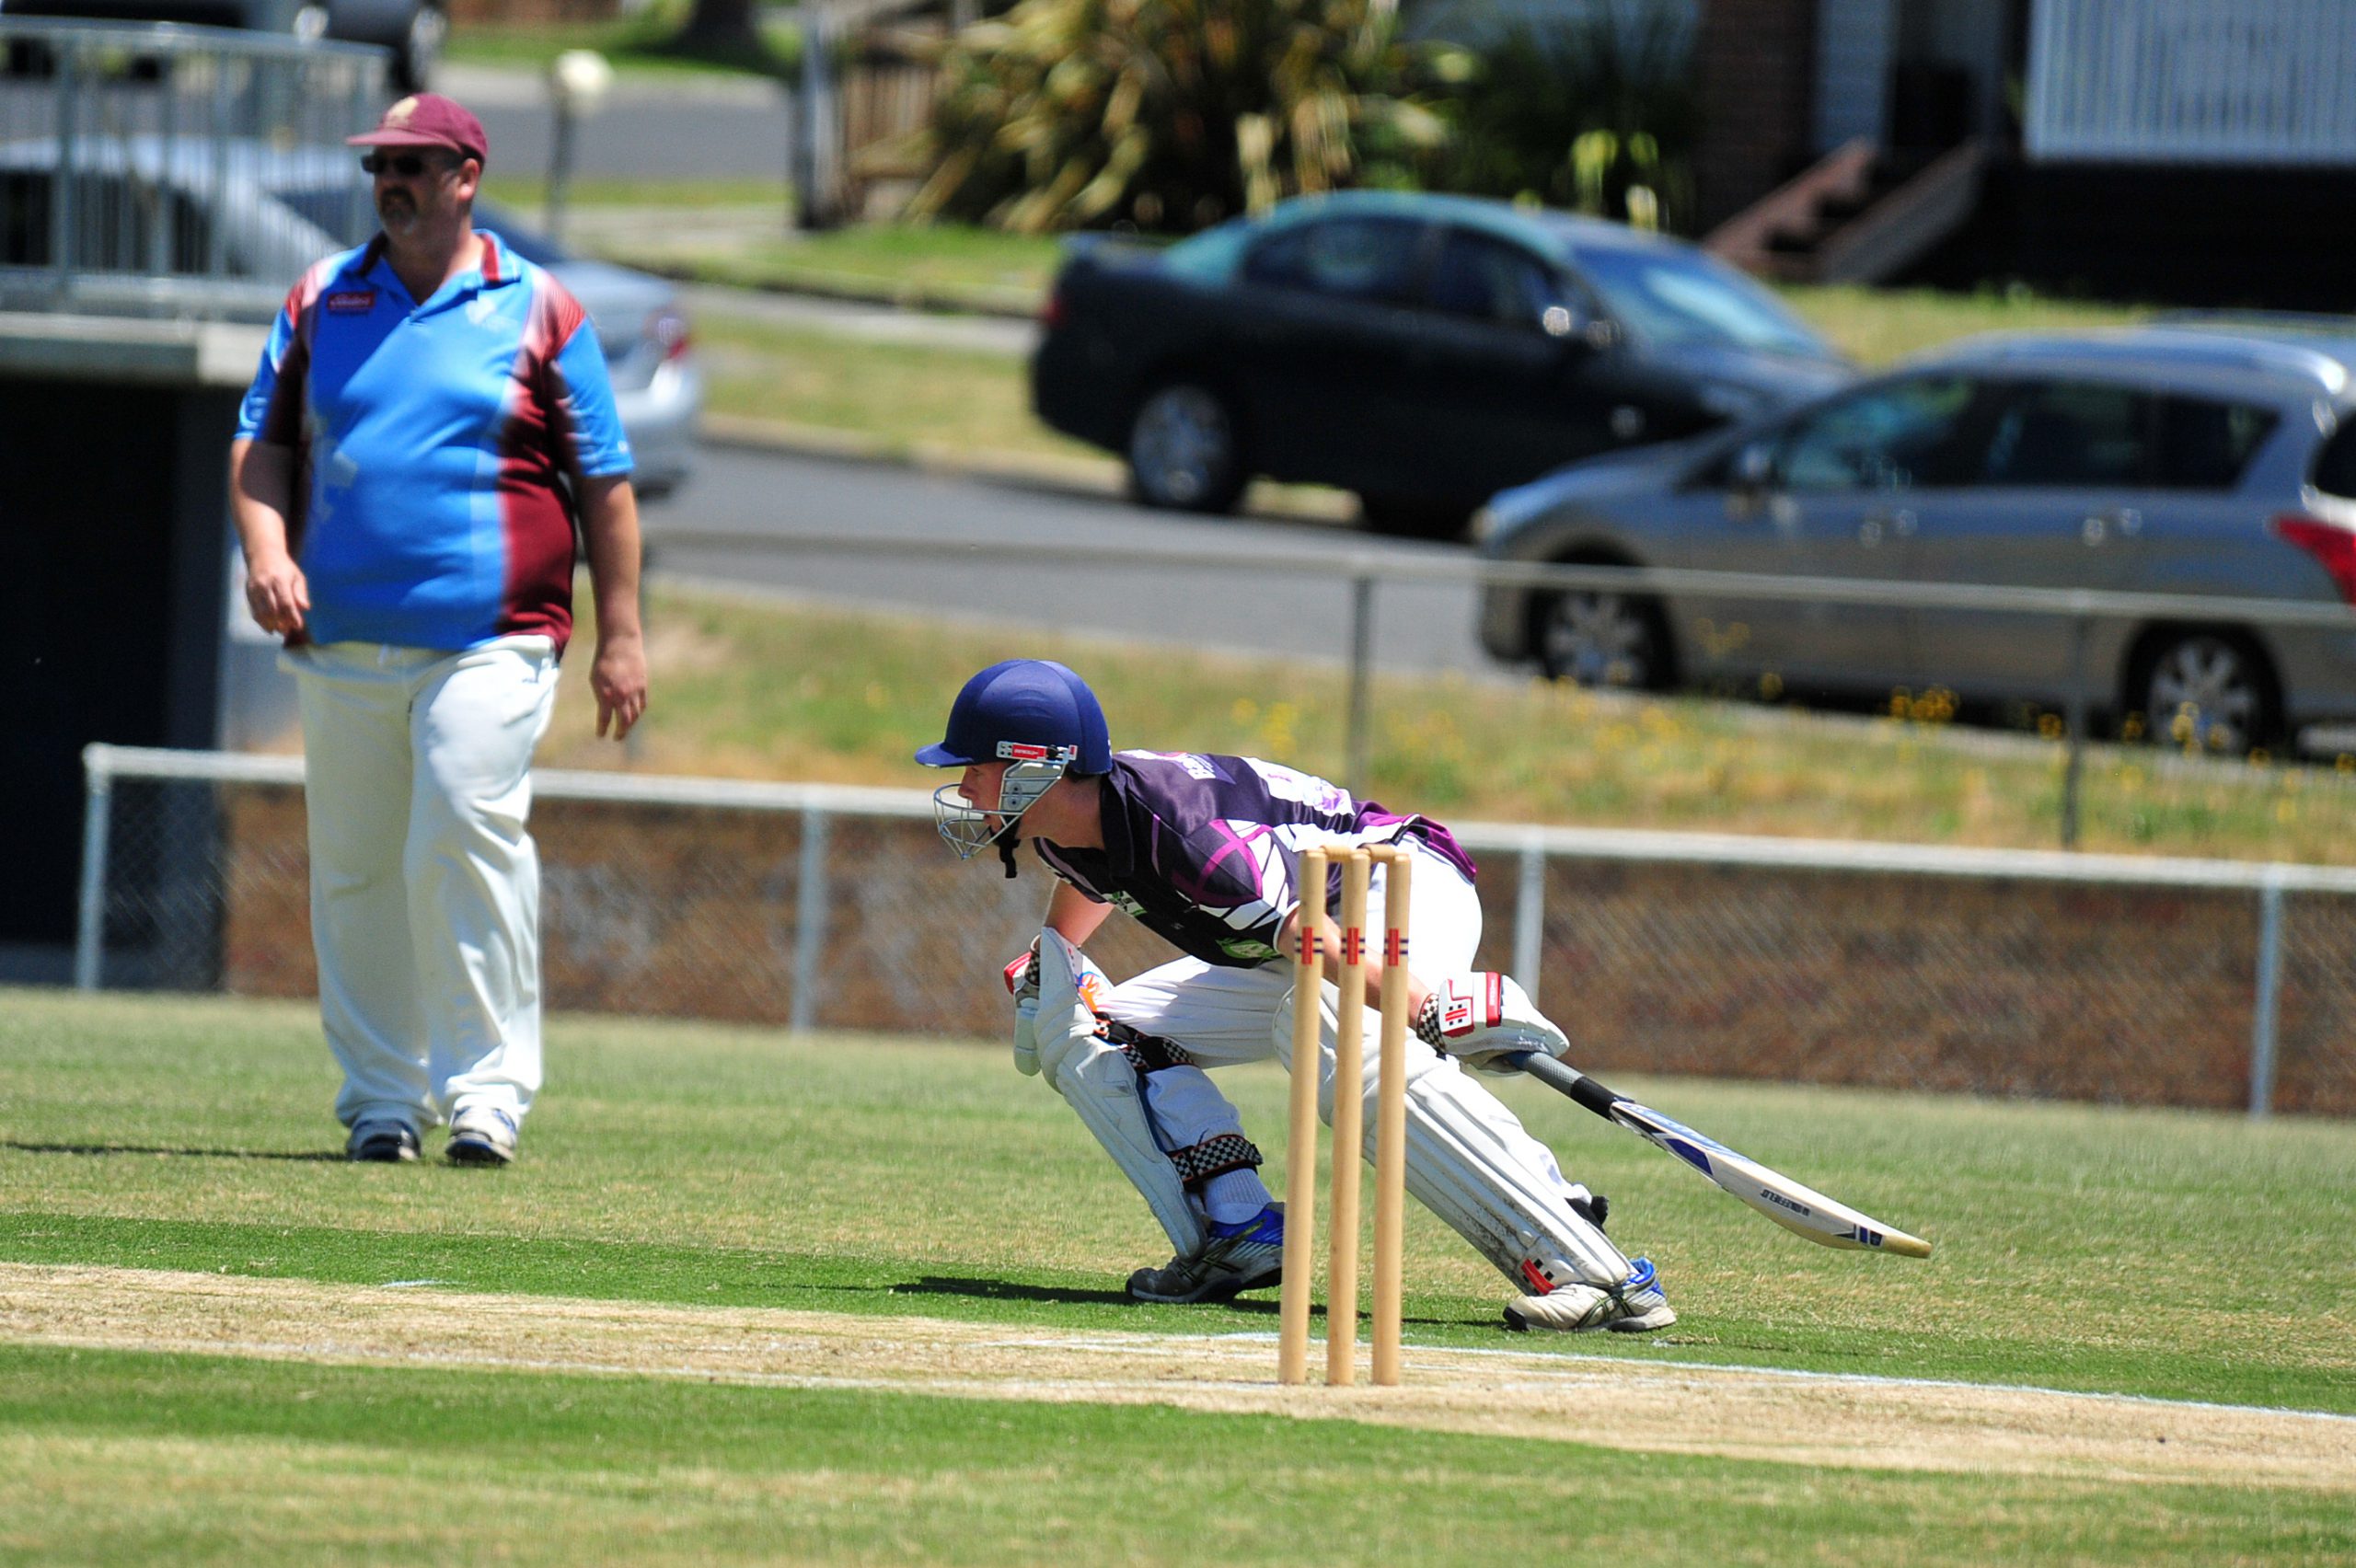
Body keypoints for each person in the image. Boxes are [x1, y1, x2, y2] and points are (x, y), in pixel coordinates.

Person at [917, 659, 1673, 1333]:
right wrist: (1055, 957)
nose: (964, 787)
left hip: (1392, 882)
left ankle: (1588, 1262)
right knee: (1101, 1026)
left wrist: (1423, 1006)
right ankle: (1239, 1230)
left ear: (1037, 767)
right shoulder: (1064, 827)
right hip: (1303, 931)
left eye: (975, 768)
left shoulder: (1189, 841)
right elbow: (1098, 882)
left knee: (1342, 1039)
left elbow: (1312, 940)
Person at [228, 93, 647, 1167]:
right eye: (379, 166)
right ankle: (381, 1099)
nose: (391, 184)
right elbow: (260, 446)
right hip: (341, 638)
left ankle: (487, 1095)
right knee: (358, 869)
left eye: (412, 165)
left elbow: (604, 483)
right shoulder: (321, 296)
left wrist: (622, 635)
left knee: (460, 821)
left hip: (493, 635)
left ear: (467, 176)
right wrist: (267, 554)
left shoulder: (538, 305)